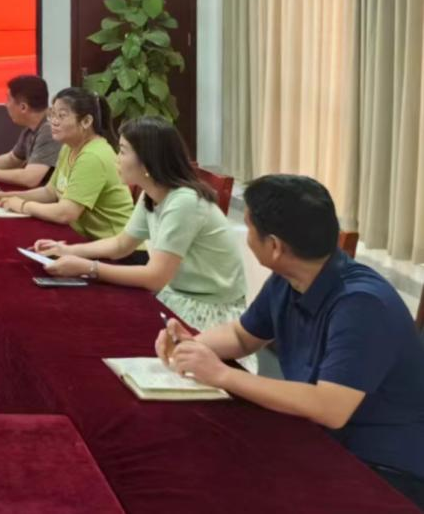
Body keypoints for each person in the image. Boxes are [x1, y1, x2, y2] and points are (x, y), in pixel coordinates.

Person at [159, 175, 424, 509]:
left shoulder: (362, 305)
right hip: (321, 437)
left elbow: (330, 408)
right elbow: (242, 335)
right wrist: (192, 346)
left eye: (249, 228)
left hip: (383, 467)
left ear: (275, 247)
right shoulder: (291, 278)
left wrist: (222, 375)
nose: (247, 237)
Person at [33, 117, 248, 334]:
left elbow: (155, 277)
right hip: (177, 294)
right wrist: (67, 250)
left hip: (207, 309)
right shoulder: (153, 193)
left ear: (147, 161)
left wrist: (89, 268)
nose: (116, 159)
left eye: (122, 151)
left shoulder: (184, 202)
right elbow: (121, 245)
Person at [0, 87, 133, 241]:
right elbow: (50, 192)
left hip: (118, 246)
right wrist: (5, 197)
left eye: (61, 116)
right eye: (52, 115)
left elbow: (66, 213)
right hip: (90, 240)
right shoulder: (69, 147)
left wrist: (22, 206)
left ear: (86, 121)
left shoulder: (93, 156)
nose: (53, 122)